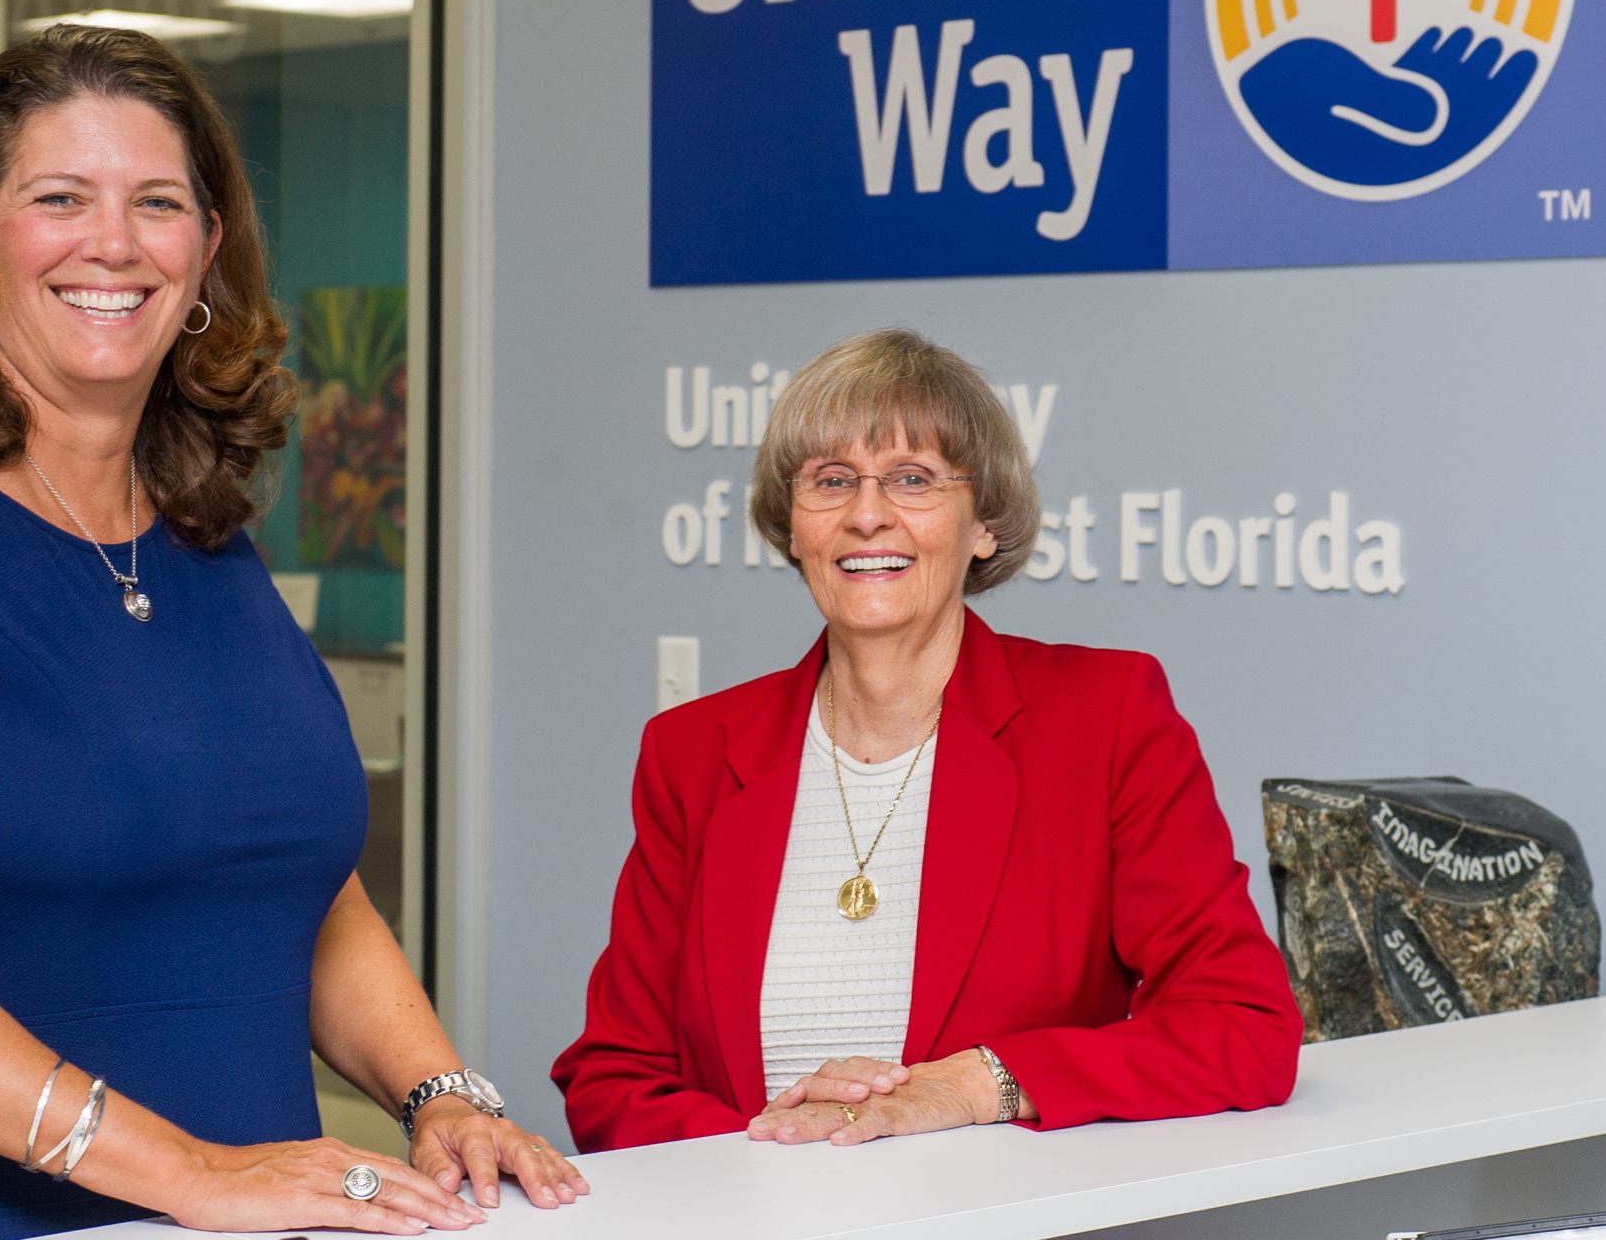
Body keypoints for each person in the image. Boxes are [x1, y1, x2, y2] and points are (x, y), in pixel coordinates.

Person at [0, 25, 587, 1240]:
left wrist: (436, 1090)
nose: (114, 243)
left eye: (158, 203)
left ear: (206, 252)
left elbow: (296, 881)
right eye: (60, 198)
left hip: (264, 1224)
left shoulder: (200, 537)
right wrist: (189, 1173)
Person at [552, 328, 1301, 1151]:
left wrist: (977, 1083)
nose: (867, 515)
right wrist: (776, 1146)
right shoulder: (693, 751)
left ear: (985, 523)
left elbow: (1245, 1029)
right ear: (792, 525)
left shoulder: (1106, 718)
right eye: (831, 481)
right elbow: (612, 1079)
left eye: (912, 480)